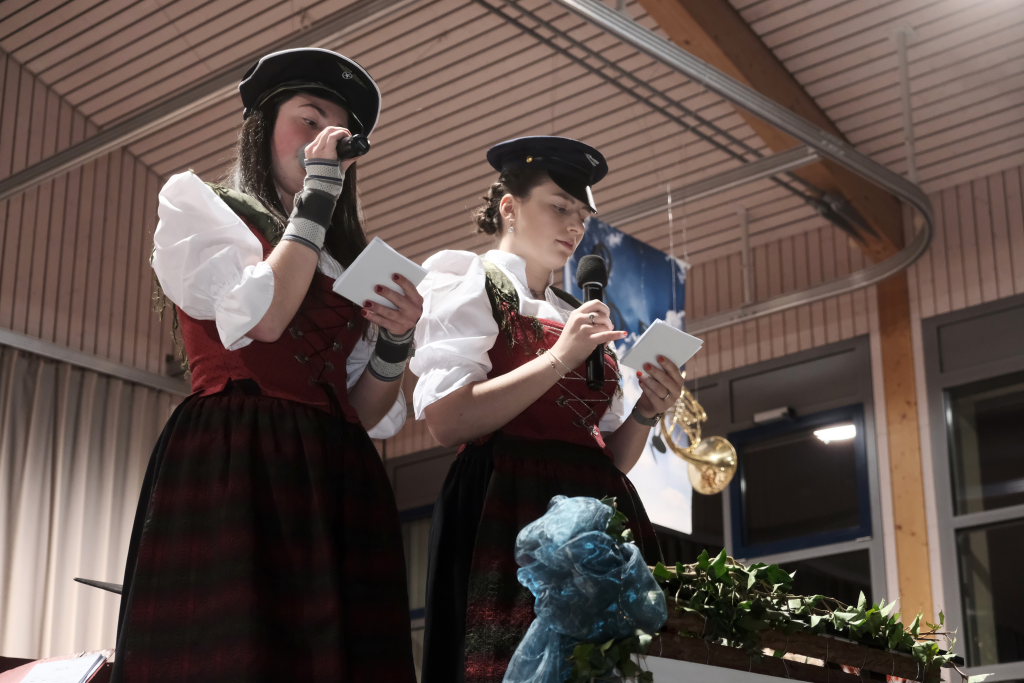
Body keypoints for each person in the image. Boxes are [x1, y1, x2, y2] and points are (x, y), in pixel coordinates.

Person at [112, 48, 419, 682]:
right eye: (309, 119)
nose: (324, 139)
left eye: (339, 134)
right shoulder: (207, 210)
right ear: (263, 126)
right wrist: (319, 195)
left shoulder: (344, 262)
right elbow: (266, 320)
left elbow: (362, 412)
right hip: (241, 452)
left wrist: (397, 341)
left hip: (336, 468)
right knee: (239, 650)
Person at [411, 136, 685, 683]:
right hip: (507, 498)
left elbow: (611, 457)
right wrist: (561, 356)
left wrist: (647, 412)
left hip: (597, 504)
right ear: (509, 208)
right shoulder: (467, 280)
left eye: (582, 215)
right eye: (560, 207)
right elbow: (447, 420)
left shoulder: (578, 312)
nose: (575, 226)